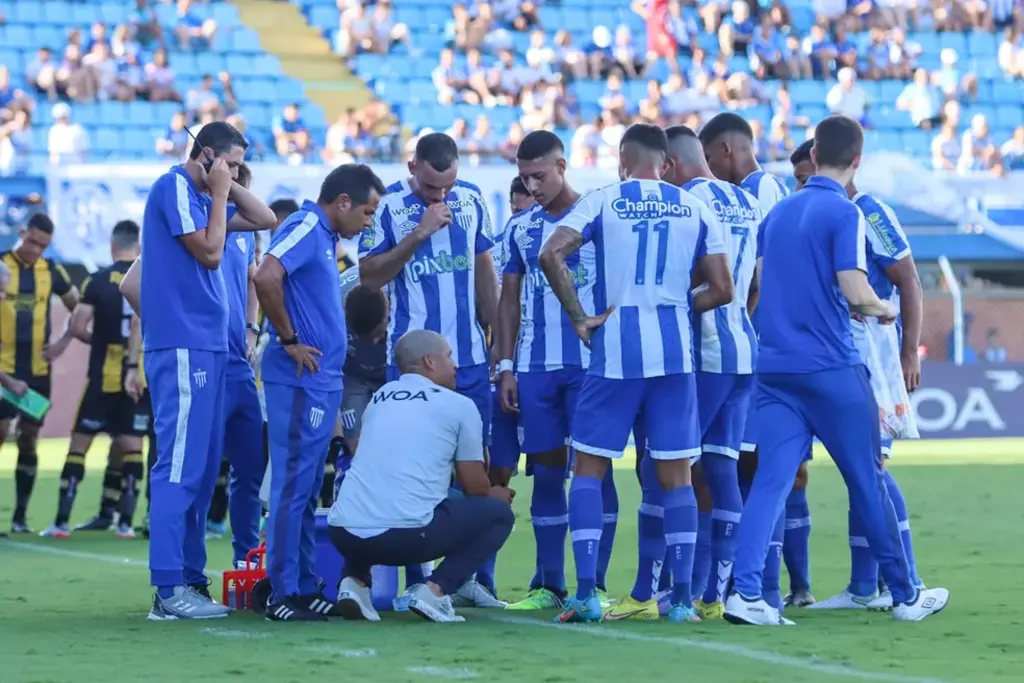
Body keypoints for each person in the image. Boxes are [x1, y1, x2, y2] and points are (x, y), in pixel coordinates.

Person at [723, 115, 948, 627]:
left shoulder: (777, 214)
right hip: (829, 367)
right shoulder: (844, 213)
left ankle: (747, 593)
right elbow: (855, 289)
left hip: (774, 369)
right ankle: (906, 594)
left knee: (770, 483)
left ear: (816, 153)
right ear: (858, 160)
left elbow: (761, 285)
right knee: (866, 479)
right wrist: (885, 311)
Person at [539, 123, 734, 624]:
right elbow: (723, 289)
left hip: (615, 352)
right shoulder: (694, 206)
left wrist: (580, 316)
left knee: (588, 468)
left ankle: (585, 594)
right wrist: (677, 306)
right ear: (665, 164)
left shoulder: (605, 199)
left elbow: (550, 253)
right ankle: (683, 602)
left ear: (622, 159)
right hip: (674, 356)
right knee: (676, 476)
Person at [134, 120, 276, 621]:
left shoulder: (207, 194)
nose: (237, 176)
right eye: (231, 163)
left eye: (240, 168)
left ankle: (190, 580)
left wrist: (225, 182)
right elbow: (212, 254)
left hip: (213, 350)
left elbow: (264, 219)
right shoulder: (173, 185)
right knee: (178, 468)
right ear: (207, 153)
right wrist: (218, 191)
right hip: (184, 348)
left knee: (199, 470)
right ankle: (168, 590)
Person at [358, 132, 504, 608]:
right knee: (417, 470)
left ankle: (469, 579)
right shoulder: (389, 207)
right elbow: (370, 277)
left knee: (474, 470)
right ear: (412, 167)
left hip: (471, 363)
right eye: (431, 188)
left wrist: (497, 339)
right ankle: (414, 581)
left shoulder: (474, 200)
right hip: (413, 368)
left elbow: (484, 268)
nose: (440, 197)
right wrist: (419, 232)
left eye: (448, 187)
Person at [789, 139, 928, 613]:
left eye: (806, 178)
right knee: (859, 469)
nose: (803, 189)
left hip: (873, 349)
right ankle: (866, 587)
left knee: (872, 467)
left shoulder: (867, 211)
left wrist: (910, 351)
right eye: (798, 182)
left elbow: (908, 278)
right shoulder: (817, 216)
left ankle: (903, 579)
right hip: (834, 352)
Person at [254, 163, 385, 622]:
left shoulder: (325, 239)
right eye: (367, 212)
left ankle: (305, 584)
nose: (368, 221)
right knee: (292, 486)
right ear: (343, 202)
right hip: (298, 381)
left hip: (320, 382)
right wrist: (289, 340)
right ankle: (281, 592)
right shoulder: (307, 224)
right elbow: (266, 276)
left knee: (308, 489)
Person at [329, 329, 516, 624]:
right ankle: (436, 590)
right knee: (498, 514)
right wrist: (497, 494)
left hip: (343, 533)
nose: (454, 365)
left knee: (373, 498)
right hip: (406, 537)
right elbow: (475, 486)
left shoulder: (381, 398)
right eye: (449, 356)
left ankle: (354, 583)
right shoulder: (459, 404)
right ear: (430, 361)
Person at [658, 124, 763, 620]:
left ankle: (664, 588)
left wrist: (670, 308)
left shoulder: (689, 204)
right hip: (744, 349)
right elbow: (755, 282)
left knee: (670, 467)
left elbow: (697, 281)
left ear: (673, 166)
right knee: (722, 469)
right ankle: (715, 593)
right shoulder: (745, 201)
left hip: (705, 355)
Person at [496, 131, 602, 612]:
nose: (533, 186)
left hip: (589, 367)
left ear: (563, 165)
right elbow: (508, 301)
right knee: (546, 473)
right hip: (536, 368)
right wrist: (506, 365)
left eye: (540, 175)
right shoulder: (521, 229)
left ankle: (594, 584)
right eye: (525, 178)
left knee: (594, 472)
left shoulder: (600, 217)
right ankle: (550, 584)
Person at [699, 111, 791, 610]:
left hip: (754, 352)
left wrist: (746, 323)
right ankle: (746, 584)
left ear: (728, 149)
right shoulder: (759, 191)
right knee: (743, 468)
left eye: (710, 156)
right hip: (751, 348)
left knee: (755, 468)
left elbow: (762, 279)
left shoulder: (761, 192)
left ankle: (762, 587)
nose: (708, 167)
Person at [42, 220, 146, 539]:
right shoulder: (150, 278)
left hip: (102, 376)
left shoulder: (99, 280)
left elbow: (78, 326)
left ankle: (60, 523)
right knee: (132, 449)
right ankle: (126, 524)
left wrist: (99, 340)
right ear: (138, 247)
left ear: (113, 247)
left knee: (79, 447)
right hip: (138, 375)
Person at [1, 212, 79, 533]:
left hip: (37, 372)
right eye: (32, 242)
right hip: (4, 370)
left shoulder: (53, 271)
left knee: (30, 438)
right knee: (1, 430)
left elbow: (81, 309)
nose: (36, 250)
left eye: (43, 246)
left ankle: (20, 517)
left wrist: (62, 342)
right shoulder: (2, 267)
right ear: (22, 233)